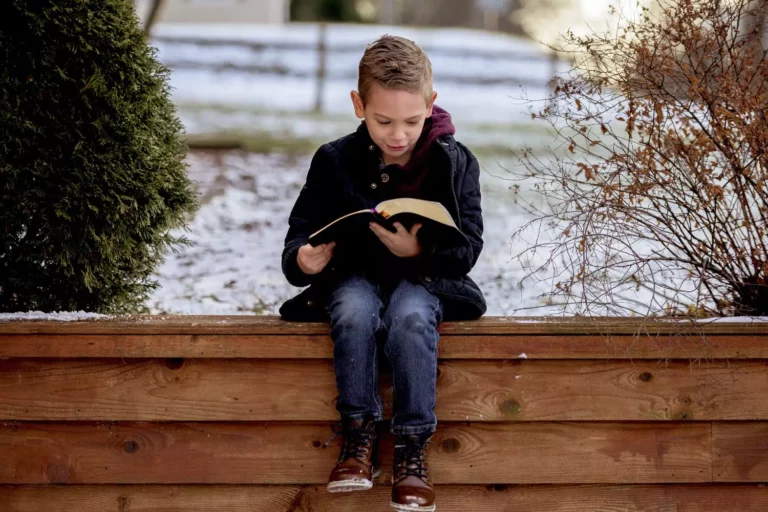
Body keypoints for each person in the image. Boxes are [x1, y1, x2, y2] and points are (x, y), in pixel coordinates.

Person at [279, 34, 485, 512]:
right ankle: (358, 437)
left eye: (413, 121)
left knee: (412, 318)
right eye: (383, 120)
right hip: (353, 277)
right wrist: (301, 260)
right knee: (353, 309)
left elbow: (468, 248)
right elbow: (301, 231)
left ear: (432, 105)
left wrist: (419, 250)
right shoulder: (333, 160)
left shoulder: (455, 163)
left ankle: (412, 449)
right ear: (358, 105)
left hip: (424, 280)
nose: (398, 135)